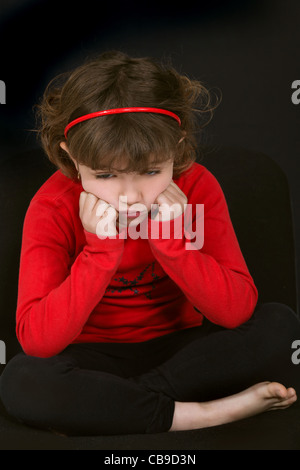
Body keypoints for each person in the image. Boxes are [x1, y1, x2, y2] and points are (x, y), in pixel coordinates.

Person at [0, 51, 299, 436]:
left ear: (175, 147)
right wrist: (100, 251)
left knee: (281, 327)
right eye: (105, 175)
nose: (131, 196)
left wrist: (172, 243)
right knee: (23, 379)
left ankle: (120, 405)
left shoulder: (198, 186)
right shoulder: (52, 205)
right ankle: (202, 414)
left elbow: (235, 312)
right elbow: (39, 341)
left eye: (152, 171)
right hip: (90, 356)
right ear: (72, 156)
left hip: (183, 351)